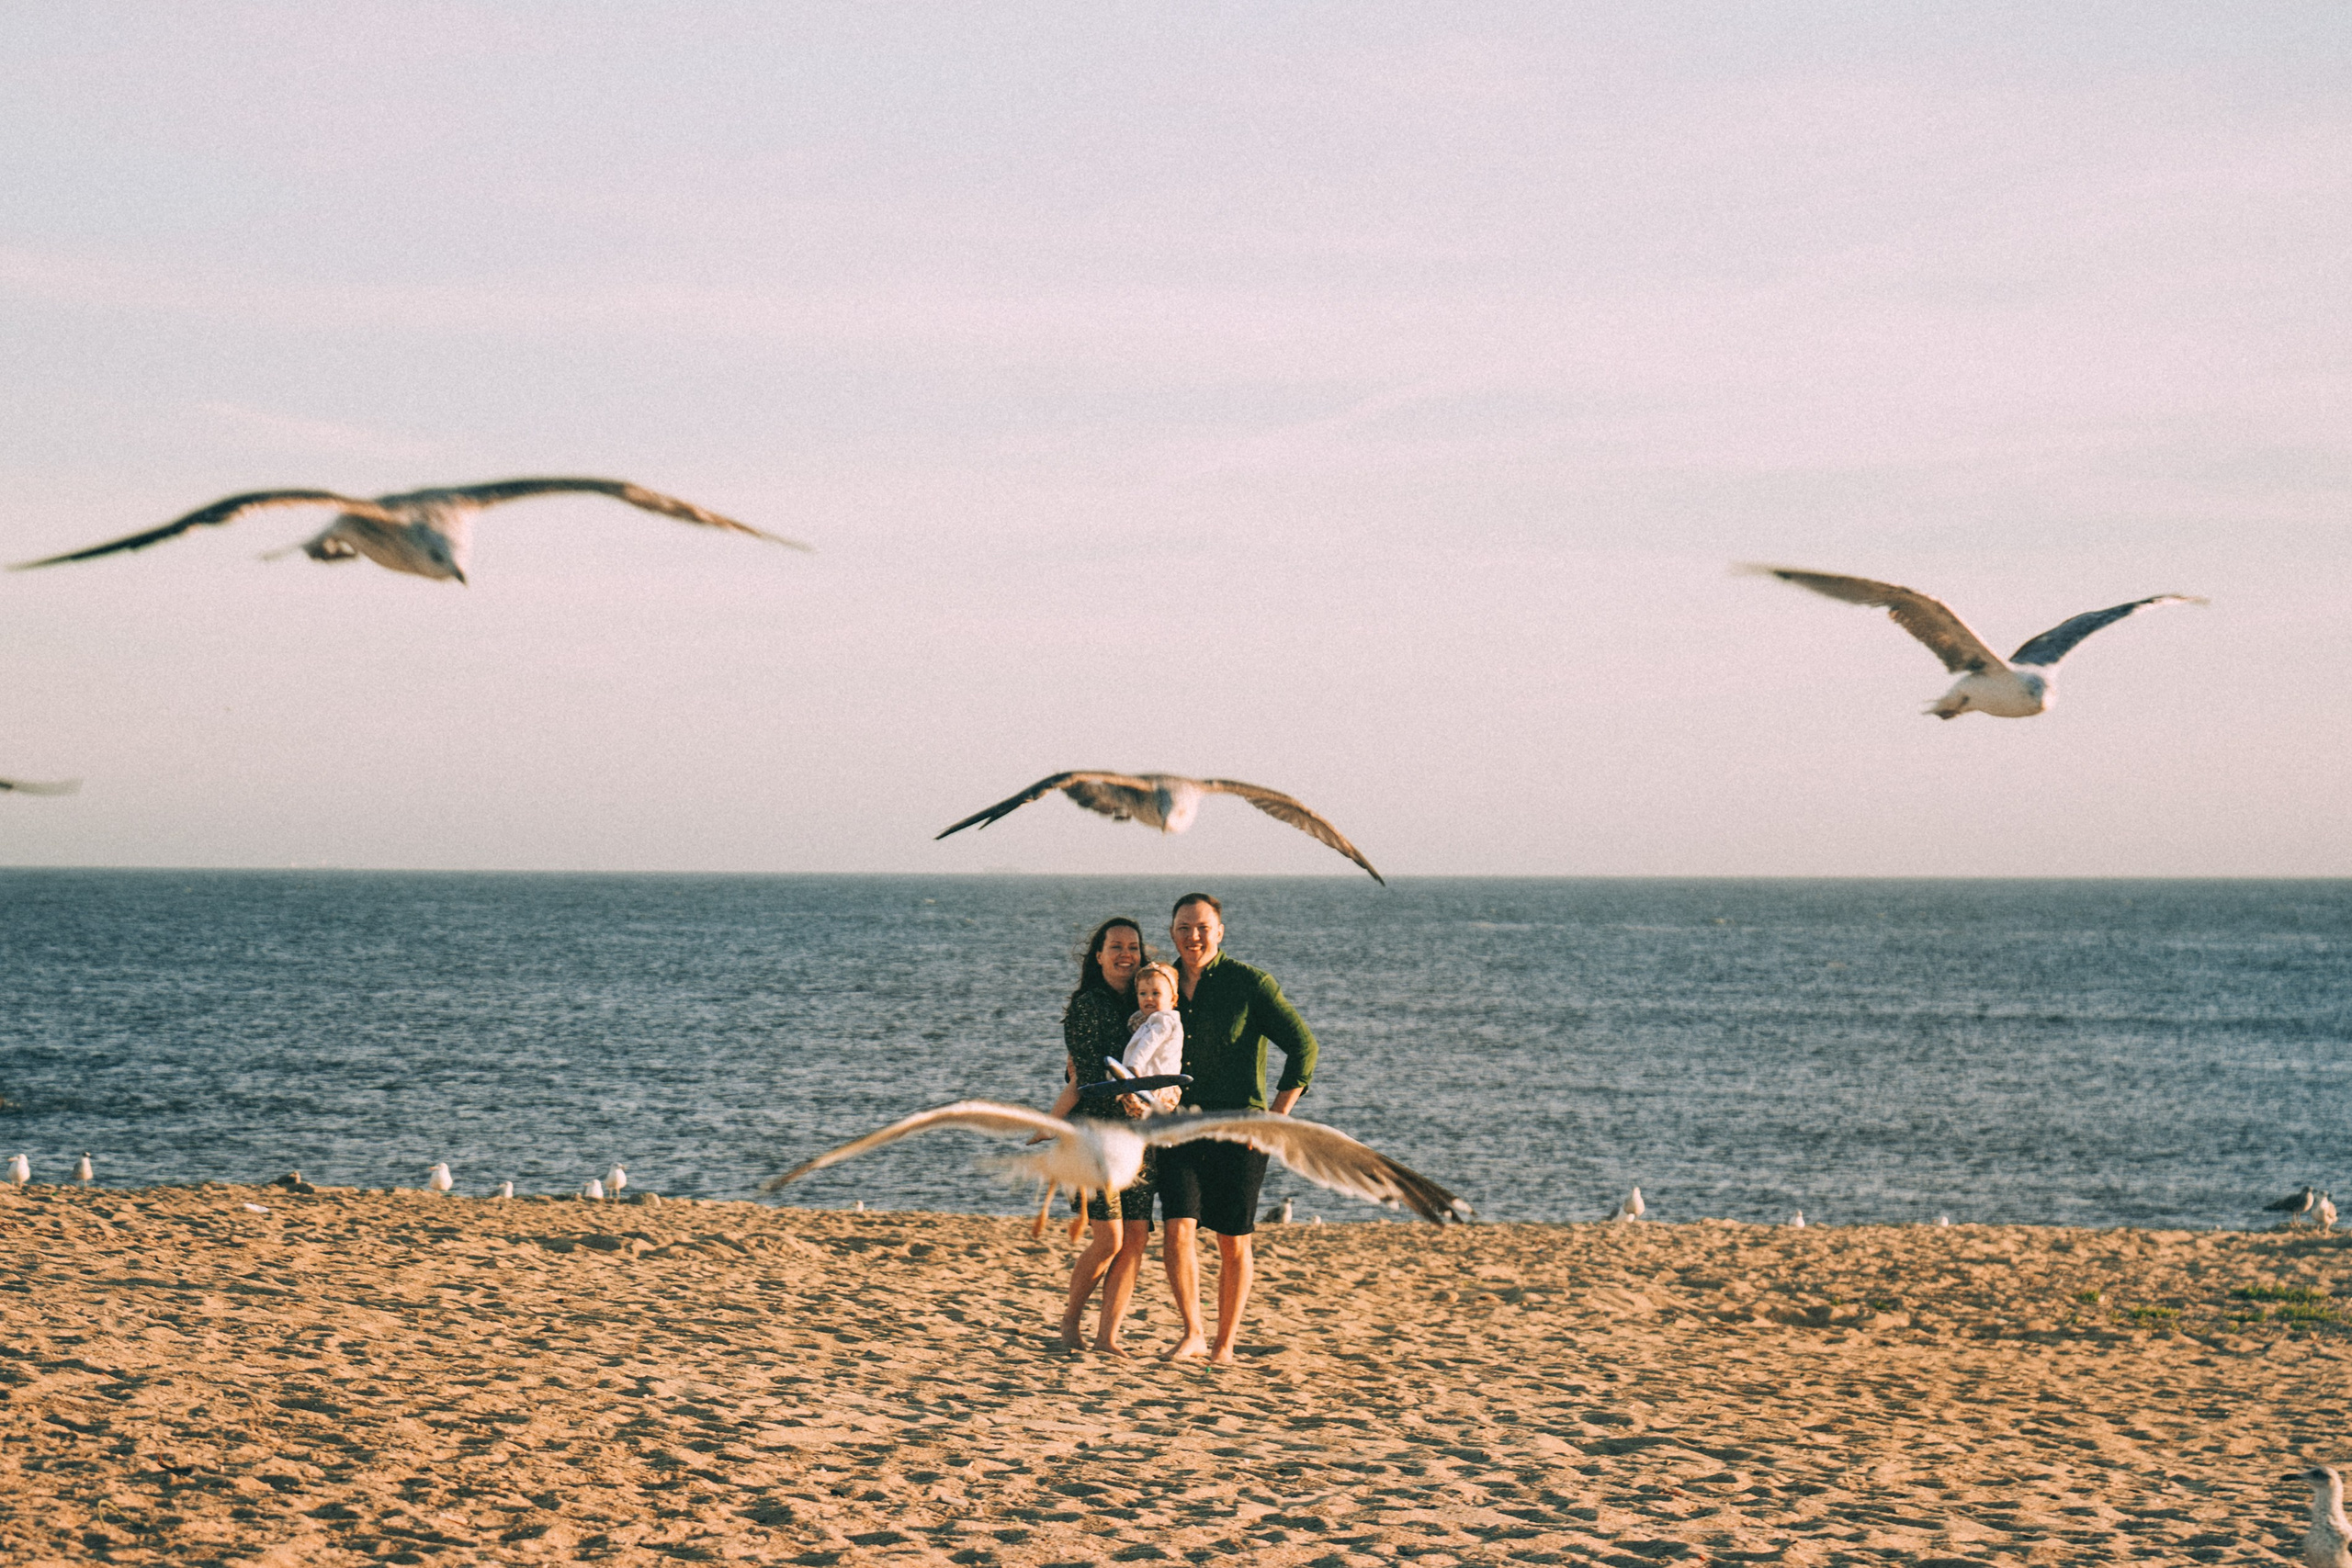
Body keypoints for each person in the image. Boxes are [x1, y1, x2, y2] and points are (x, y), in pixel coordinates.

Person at [1154, 892, 1317, 1363]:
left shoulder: (1250, 984)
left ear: (1220, 932)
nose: (1193, 936)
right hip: (1177, 1125)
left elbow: (1304, 1048)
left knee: (1233, 1240)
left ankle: (1225, 1343)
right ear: (1172, 933)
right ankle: (1193, 1333)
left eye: (1203, 927)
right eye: (1184, 927)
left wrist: (1275, 1117)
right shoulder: (1160, 982)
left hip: (1242, 1129)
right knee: (1178, 1230)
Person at [1044, 917, 1156, 1352]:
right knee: (1108, 1238)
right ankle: (1070, 1322)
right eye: (1116, 946)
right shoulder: (1087, 1005)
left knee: (1136, 1237)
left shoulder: (1153, 1004)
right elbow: (1086, 1068)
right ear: (1100, 955)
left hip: (1139, 1136)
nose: (1125, 953)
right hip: (1090, 1135)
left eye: (1133, 946)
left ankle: (1108, 1336)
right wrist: (1128, 1096)